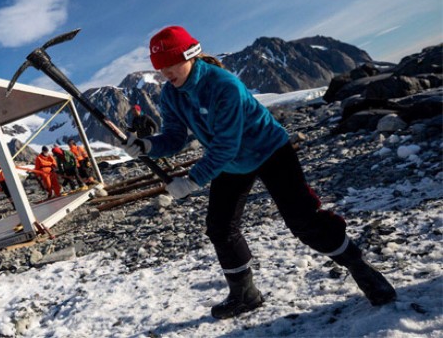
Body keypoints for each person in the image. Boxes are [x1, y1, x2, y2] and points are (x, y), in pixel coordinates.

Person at [122, 26, 396, 319]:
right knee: (220, 228)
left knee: (304, 221)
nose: (166, 72)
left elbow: (226, 144)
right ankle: (244, 295)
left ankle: (359, 266)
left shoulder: (223, 85)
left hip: (270, 151)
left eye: (171, 63)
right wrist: (147, 145)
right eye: (160, 66)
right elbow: (174, 137)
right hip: (232, 163)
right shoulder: (171, 94)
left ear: (190, 55)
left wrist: (192, 180)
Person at [128, 104, 174, 170]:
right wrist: (127, 129)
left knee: (157, 150)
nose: (133, 113)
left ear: (139, 110)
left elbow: (154, 125)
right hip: (142, 139)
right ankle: (155, 167)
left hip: (149, 138)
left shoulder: (145, 117)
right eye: (133, 112)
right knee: (148, 153)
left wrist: (153, 132)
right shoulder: (134, 120)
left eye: (135, 111)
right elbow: (134, 130)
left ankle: (168, 164)